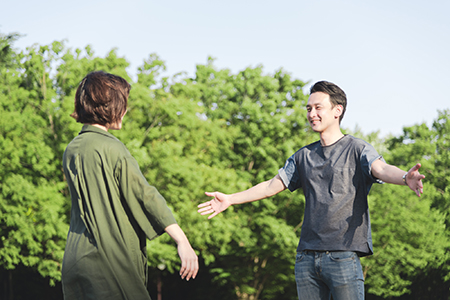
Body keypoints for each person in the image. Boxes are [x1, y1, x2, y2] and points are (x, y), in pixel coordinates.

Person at [198, 81, 424, 300]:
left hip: (343, 256)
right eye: (308, 108)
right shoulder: (303, 156)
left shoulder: (357, 148)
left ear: (337, 110)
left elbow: (381, 168)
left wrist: (405, 177)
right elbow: (270, 186)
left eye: (318, 107)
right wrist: (230, 199)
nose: (311, 113)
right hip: (306, 259)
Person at [62, 71, 198, 300]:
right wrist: (182, 240)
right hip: (109, 263)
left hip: (75, 260)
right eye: (123, 104)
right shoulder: (112, 149)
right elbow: (146, 196)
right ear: (111, 107)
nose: (125, 111)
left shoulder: (72, 149)